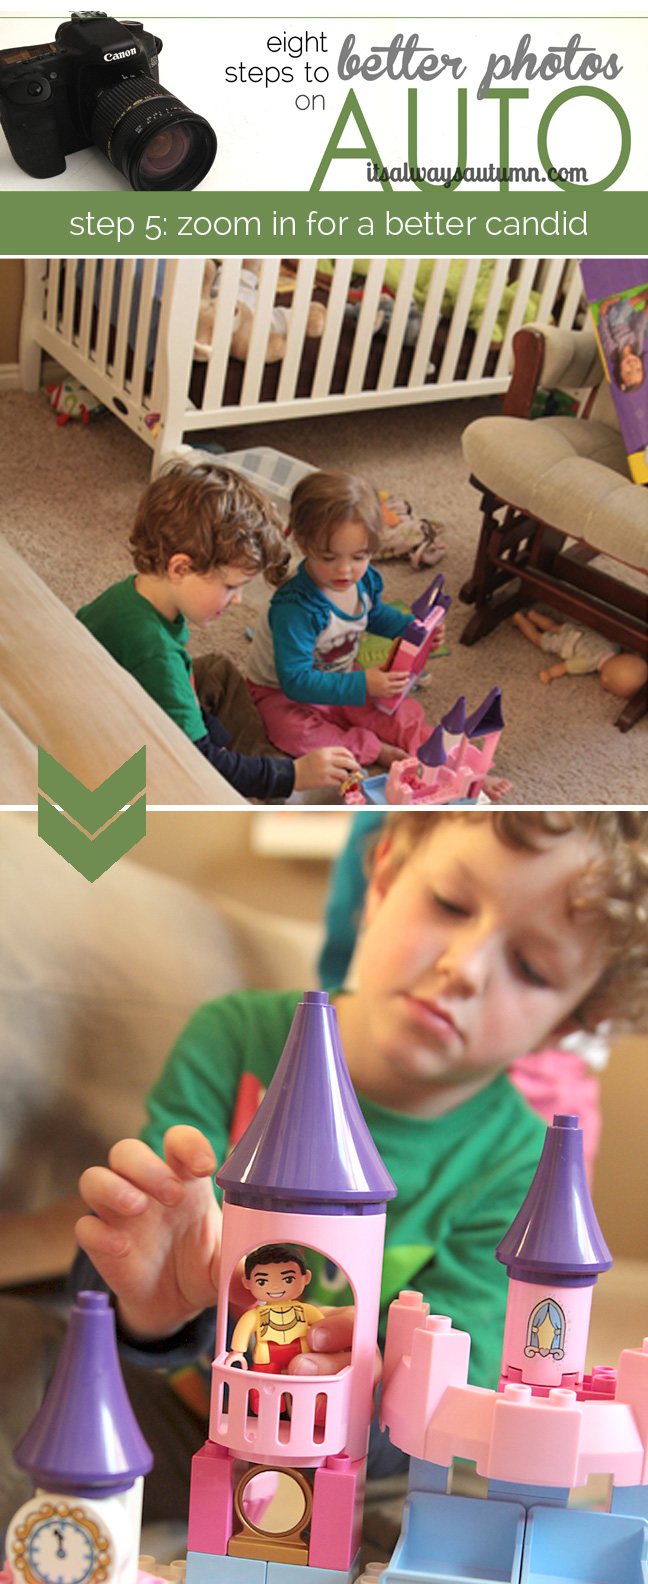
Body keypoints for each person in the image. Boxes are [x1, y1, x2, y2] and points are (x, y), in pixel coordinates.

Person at [74, 809, 648, 1505]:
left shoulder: (522, 1164)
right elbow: (136, 1264)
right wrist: (152, 1308)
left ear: (566, 1023)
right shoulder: (237, 1037)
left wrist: (372, 1393)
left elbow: (447, 1404)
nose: (462, 968)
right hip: (162, 1411)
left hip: (351, 1463)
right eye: (449, 904)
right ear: (380, 879)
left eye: (530, 967)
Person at [77, 460, 360, 800]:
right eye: (230, 586)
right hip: (135, 753)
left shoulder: (132, 595)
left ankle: (256, 766)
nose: (239, 600)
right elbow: (198, 762)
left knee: (218, 671)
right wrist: (294, 774)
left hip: (128, 701)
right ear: (180, 568)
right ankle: (271, 781)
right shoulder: (157, 655)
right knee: (235, 766)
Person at [246, 469, 441, 769]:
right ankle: (373, 750)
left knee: (395, 710)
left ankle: (439, 753)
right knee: (293, 734)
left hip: (340, 673)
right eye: (329, 557)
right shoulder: (295, 608)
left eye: (359, 557)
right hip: (281, 693)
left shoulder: (362, 582)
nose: (345, 571)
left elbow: (373, 614)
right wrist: (361, 684)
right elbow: (295, 682)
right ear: (304, 543)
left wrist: (412, 630)